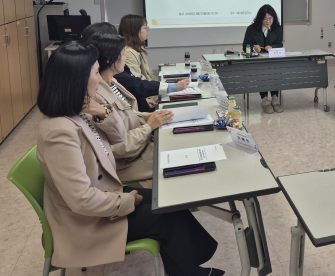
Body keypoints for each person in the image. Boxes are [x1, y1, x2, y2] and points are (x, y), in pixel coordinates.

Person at [36, 42, 221, 275]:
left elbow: (119, 136)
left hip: (104, 195)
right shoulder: (59, 132)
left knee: (169, 202)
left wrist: (103, 112)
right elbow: (81, 200)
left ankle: (187, 269)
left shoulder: (79, 110)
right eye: (95, 73)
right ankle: (189, 272)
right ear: (77, 80)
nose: (99, 79)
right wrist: (126, 201)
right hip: (86, 222)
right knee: (166, 218)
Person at [86, 32, 173, 186]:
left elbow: (130, 114)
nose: (125, 58)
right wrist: (149, 126)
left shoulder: (112, 81)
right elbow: (115, 148)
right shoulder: (96, 97)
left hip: (142, 145)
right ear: (109, 59)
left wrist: (153, 117)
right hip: (131, 161)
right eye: (123, 54)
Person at [82, 22, 189, 112]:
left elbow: (130, 110)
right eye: (145, 27)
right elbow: (136, 86)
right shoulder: (100, 88)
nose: (124, 57)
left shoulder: (113, 80)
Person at [242, 4, 284, 114]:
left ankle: (275, 100)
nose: (268, 21)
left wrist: (272, 47)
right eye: (265, 18)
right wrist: (253, 48)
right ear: (260, 18)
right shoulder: (251, 29)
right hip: (258, 61)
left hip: (273, 60)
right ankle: (265, 101)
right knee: (262, 74)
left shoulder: (277, 28)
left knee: (275, 73)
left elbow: (279, 44)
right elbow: (245, 46)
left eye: (270, 18)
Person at [118, 14, 157, 81]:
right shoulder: (128, 53)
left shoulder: (139, 48)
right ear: (134, 30)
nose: (147, 30)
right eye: (145, 27)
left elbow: (149, 74)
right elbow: (138, 80)